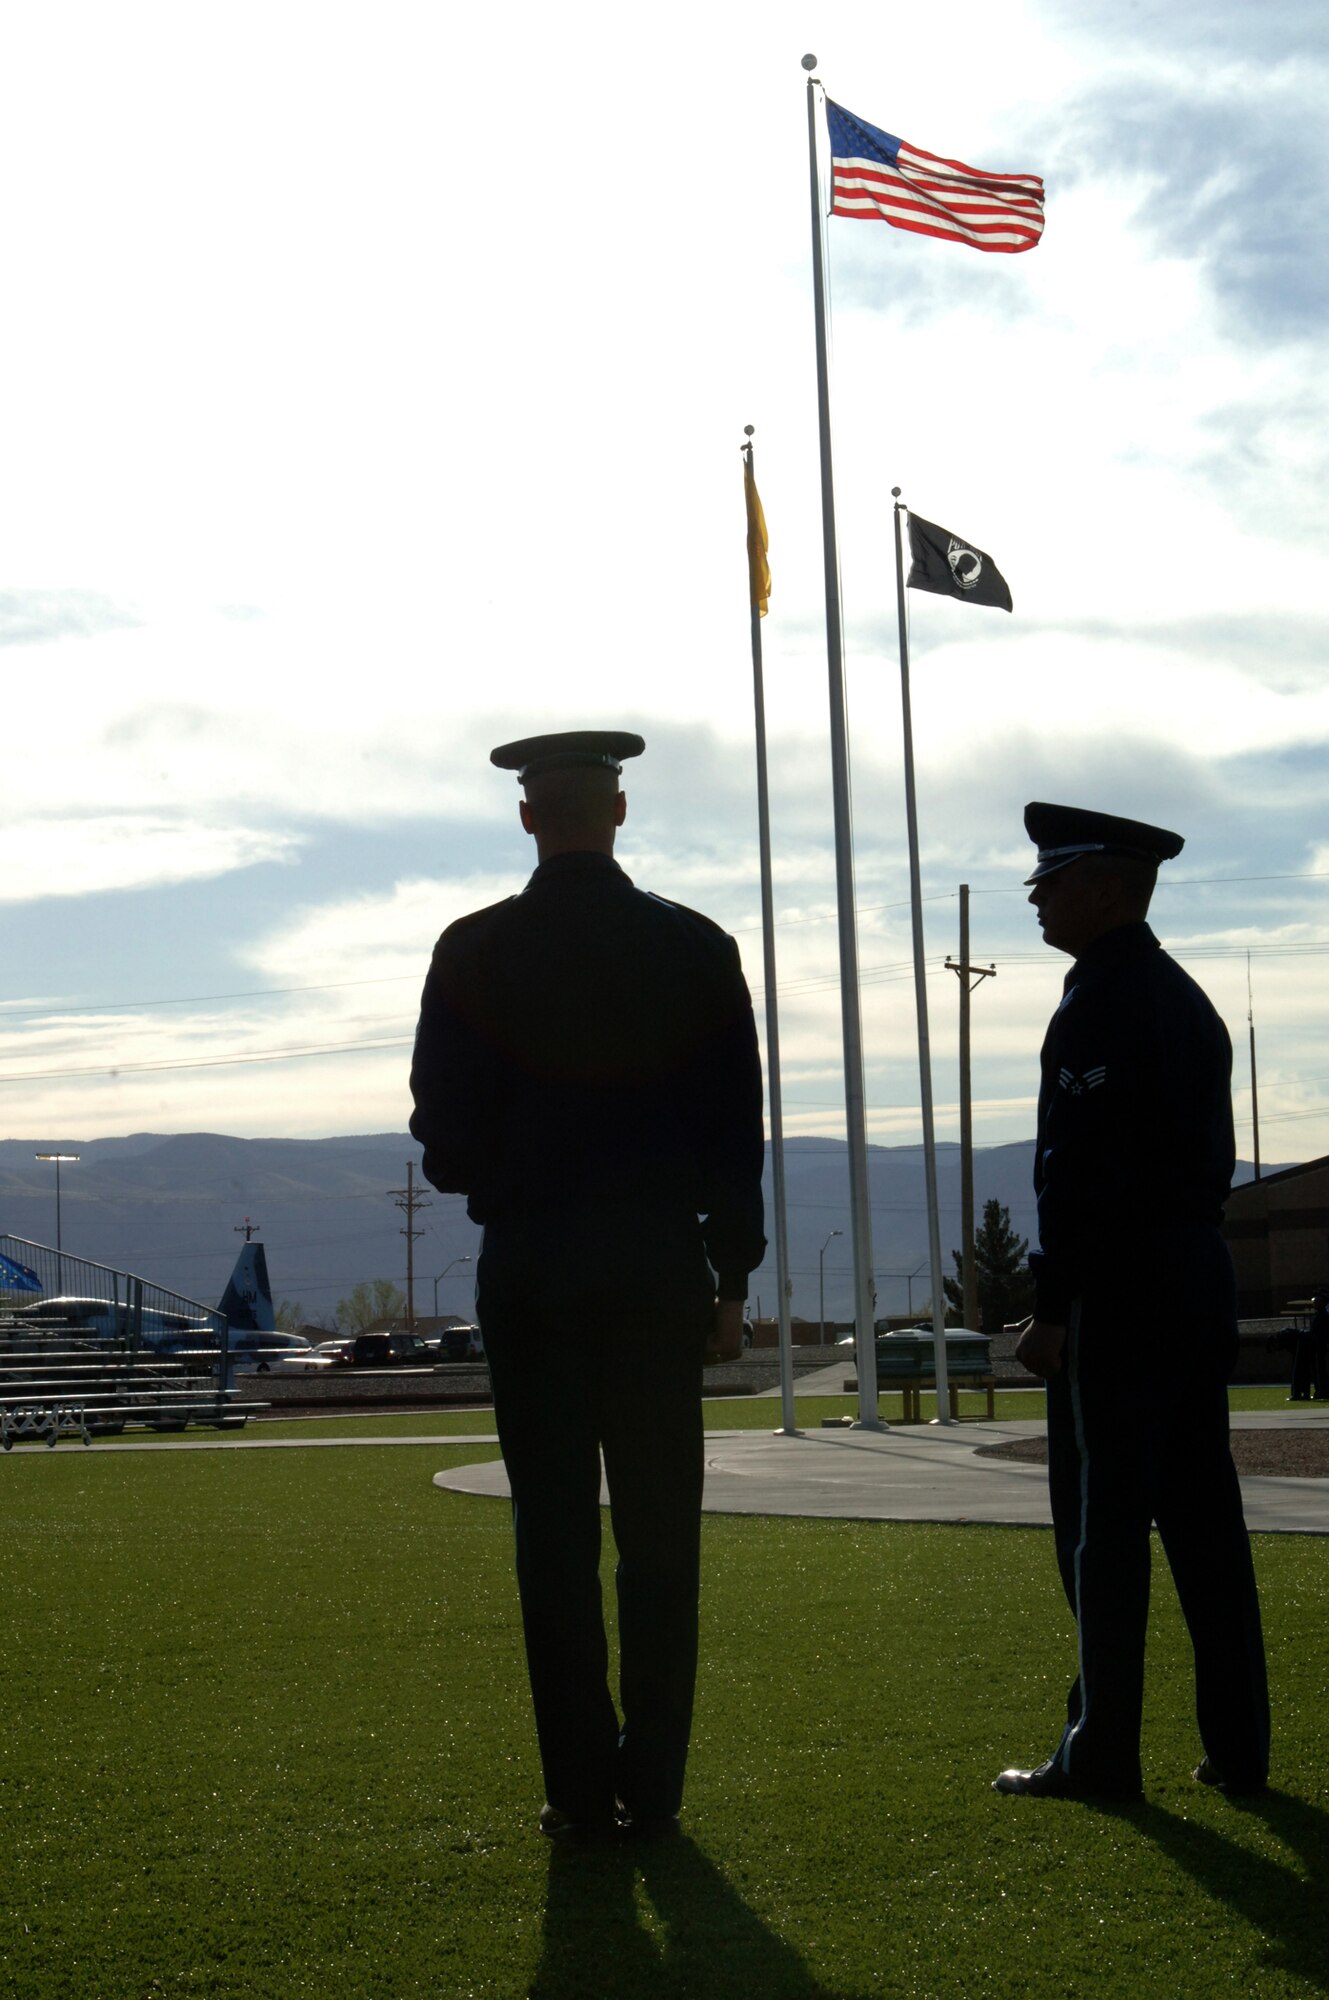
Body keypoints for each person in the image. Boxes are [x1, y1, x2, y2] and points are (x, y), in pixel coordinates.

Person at [409, 729, 766, 1840]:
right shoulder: (694, 946)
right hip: (660, 1263)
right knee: (662, 1535)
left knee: (553, 1537)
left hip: (534, 1263)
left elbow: (442, 1129)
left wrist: (507, 1176)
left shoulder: (473, 950)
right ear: (618, 812)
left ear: (529, 816)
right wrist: (730, 1274)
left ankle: (576, 1787)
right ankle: (652, 1785)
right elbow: (733, 1132)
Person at [994, 801, 1270, 1801]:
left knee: (1103, 1526)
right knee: (1205, 1521)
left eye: (1053, 881)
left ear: (1105, 888)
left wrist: (1054, 1302)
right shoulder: (1183, 998)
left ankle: (1101, 1751)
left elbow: (1080, 1169)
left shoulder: (1101, 1001)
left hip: (1123, 1287)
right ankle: (1240, 1750)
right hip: (1195, 1274)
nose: (1039, 897)